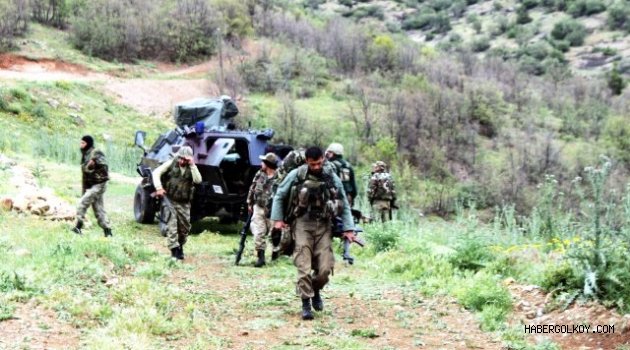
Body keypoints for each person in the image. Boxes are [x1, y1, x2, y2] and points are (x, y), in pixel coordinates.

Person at [271, 146, 359, 320]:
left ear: (323, 160)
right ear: (307, 161)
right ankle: (306, 303)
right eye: (313, 164)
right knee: (303, 265)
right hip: (302, 223)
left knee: (325, 269)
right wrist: (278, 220)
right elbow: (280, 195)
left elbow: (344, 202)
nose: (317, 167)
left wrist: (349, 228)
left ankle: (316, 289)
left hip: (324, 225)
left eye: (319, 163)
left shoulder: (331, 176)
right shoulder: (297, 175)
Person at [152, 146, 202, 260]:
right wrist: (159, 188)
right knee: (172, 225)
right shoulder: (171, 163)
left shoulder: (192, 168)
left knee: (184, 228)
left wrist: (192, 165)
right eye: (180, 158)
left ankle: (180, 246)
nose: (181, 161)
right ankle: (174, 251)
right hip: (170, 199)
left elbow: (198, 180)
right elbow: (156, 173)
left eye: (185, 159)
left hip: (184, 203)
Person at [72, 135, 112, 237]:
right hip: (91, 185)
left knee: (83, 202)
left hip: (99, 184)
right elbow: (85, 175)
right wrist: (84, 190)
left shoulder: (95, 153)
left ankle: (78, 227)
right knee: (98, 209)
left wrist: (93, 164)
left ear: (88, 144)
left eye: (83, 143)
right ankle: (108, 231)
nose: (81, 145)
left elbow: (104, 166)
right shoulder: (85, 155)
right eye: (81, 143)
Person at [325, 142, 358, 264]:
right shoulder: (348, 166)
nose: (327, 154)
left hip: (335, 198)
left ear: (332, 153)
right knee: (346, 224)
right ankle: (346, 252)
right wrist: (351, 199)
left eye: (328, 152)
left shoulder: (331, 165)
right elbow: (354, 187)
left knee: (330, 222)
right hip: (348, 198)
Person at [246, 152, 279, 267]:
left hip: (273, 211)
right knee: (258, 232)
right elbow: (252, 187)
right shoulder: (260, 174)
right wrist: (249, 202)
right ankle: (261, 257)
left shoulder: (279, 177)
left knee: (274, 233)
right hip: (259, 207)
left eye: (263, 162)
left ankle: (276, 252)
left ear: (268, 164)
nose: (261, 163)